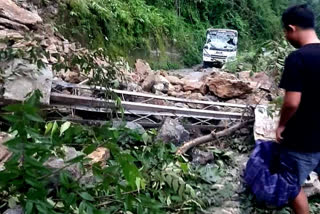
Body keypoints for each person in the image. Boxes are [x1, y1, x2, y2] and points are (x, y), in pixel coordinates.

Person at [276, 4, 320, 214]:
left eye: (285, 31)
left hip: (303, 140)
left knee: (291, 185)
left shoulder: (298, 58)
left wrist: (281, 125)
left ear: (292, 28)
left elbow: (292, 102)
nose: (286, 36)